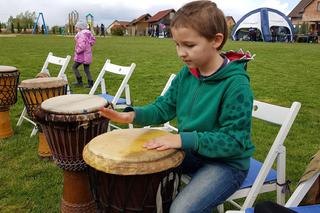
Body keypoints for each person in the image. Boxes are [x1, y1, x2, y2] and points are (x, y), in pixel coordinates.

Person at [99, 1, 254, 212]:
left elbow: (234, 141)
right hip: (192, 151)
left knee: (181, 210)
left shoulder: (236, 84)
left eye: (189, 45)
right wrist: (132, 116)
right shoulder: (186, 74)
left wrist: (182, 139)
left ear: (216, 41)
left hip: (227, 164)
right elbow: (164, 107)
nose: (181, 53)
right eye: (177, 44)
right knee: (140, 171)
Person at [72, 20, 96, 88]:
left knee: (74, 67)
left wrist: (77, 50)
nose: (76, 29)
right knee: (86, 69)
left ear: (80, 28)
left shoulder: (81, 34)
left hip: (82, 55)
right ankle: (90, 83)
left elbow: (82, 45)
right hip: (87, 54)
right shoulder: (89, 33)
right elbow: (93, 41)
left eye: (77, 28)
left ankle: (79, 81)